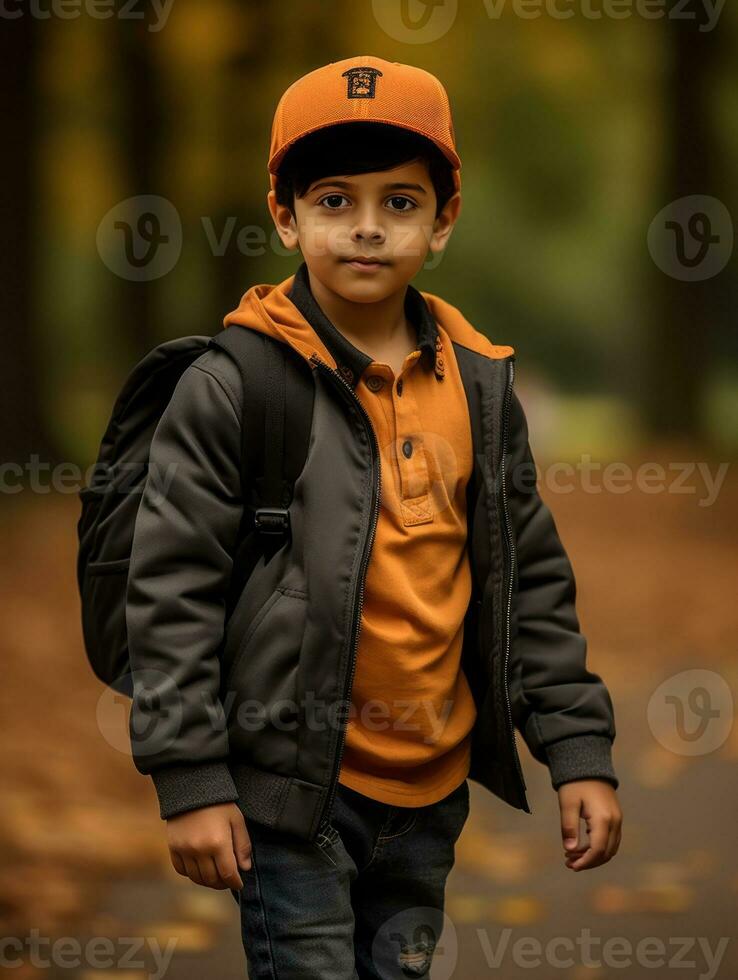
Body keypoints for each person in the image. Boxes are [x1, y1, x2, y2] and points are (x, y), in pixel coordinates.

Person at [126, 55, 623, 979]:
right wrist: (189, 779)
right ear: (285, 214)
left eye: (400, 203)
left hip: (428, 795)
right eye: (333, 199)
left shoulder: (480, 385)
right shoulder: (235, 386)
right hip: (288, 790)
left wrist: (579, 751)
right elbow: (170, 593)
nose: (366, 227)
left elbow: (532, 582)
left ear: (443, 223)